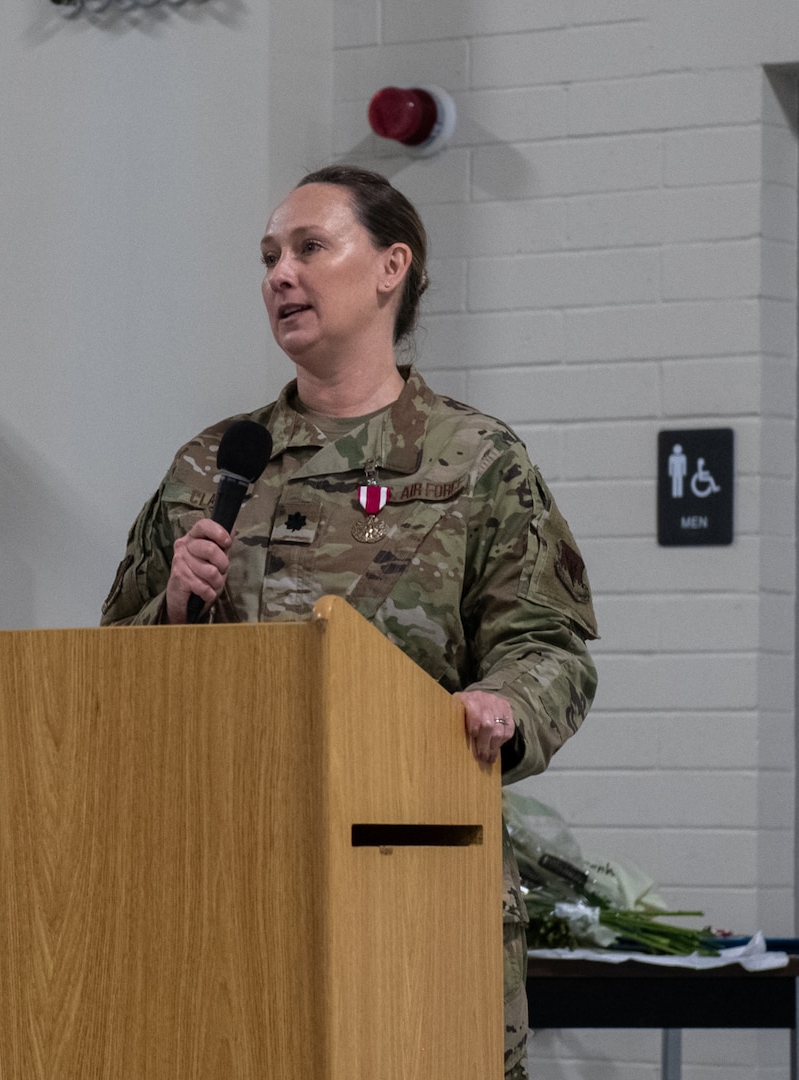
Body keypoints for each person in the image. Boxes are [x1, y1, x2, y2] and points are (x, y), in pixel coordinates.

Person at [100, 164, 598, 1079]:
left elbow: (549, 642)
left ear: (389, 268)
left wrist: (506, 705)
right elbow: (107, 680)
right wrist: (172, 610)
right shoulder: (212, 464)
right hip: (226, 879)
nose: (279, 275)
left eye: (309, 248)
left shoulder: (475, 459)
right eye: (267, 257)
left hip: (414, 874)